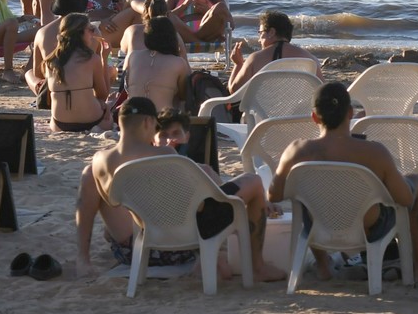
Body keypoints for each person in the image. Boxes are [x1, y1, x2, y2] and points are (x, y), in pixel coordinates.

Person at [74, 96, 283, 281]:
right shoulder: (165, 156)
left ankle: (82, 260)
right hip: (176, 246)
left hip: (131, 247)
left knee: (88, 176)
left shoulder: (100, 160)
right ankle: (258, 267)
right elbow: (201, 206)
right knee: (251, 181)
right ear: (148, 122)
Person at [268, 82, 418, 283]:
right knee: (417, 182)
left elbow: (273, 195)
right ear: (350, 113)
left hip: (318, 226)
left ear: (314, 117)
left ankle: (324, 266)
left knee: (303, 195)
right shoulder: (374, 152)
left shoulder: (296, 151)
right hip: (368, 228)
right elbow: (404, 199)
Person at [46, 12, 116, 133]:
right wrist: (104, 58)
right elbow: (103, 95)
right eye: (91, 29)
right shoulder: (92, 59)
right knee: (113, 102)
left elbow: (49, 100)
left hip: (60, 124)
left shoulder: (51, 60)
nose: (93, 34)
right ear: (80, 33)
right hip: (92, 121)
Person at [227, 10, 321, 92]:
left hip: (260, 112)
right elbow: (322, 89)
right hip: (300, 112)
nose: (259, 39)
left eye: (260, 33)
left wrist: (238, 64)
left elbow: (234, 90)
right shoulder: (309, 59)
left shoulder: (255, 59)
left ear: (271, 32)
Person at [25, 0, 91, 100]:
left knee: (28, 73)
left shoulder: (42, 33)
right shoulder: (92, 32)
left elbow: (38, 73)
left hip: (52, 92)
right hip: (85, 88)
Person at [123, 11, 191, 112]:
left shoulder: (133, 56)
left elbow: (127, 86)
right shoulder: (179, 63)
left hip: (132, 116)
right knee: (179, 101)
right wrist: (182, 51)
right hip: (160, 118)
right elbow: (185, 95)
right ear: (172, 38)